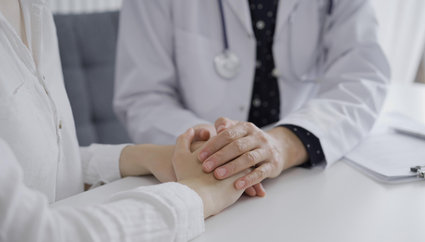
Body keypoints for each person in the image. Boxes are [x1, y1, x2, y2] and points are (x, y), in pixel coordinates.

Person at [0, 0, 248, 241]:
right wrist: (199, 195)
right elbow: (35, 234)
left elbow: (38, 168)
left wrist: (140, 156)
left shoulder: (34, 9)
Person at [114, 0, 391, 194]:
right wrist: (224, 149)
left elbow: (362, 76)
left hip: (301, 167)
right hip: (203, 175)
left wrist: (284, 143)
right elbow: (143, 96)